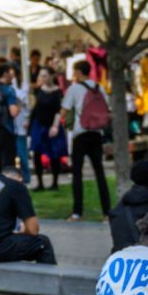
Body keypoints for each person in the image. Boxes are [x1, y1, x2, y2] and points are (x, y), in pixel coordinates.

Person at [60, 60, 111, 221]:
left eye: (74, 72)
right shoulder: (99, 87)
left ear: (78, 72)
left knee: (77, 174)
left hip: (80, 133)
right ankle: (107, 212)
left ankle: (77, 212)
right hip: (96, 133)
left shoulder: (74, 89)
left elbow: (64, 111)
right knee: (100, 173)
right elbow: (106, 107)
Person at [28, 68, 66, 192]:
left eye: (44, 76)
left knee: (54, 154)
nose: (42, 78)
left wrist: (55, 126)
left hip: (52, 125)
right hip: (39, 125)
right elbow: (35, 108)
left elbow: (58, 111)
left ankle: (55, 183)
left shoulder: (57, 92)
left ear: (51, 76)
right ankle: (40, 183)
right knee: (37, 153)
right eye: (41, 76)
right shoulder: (38, 90)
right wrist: (29, 123)